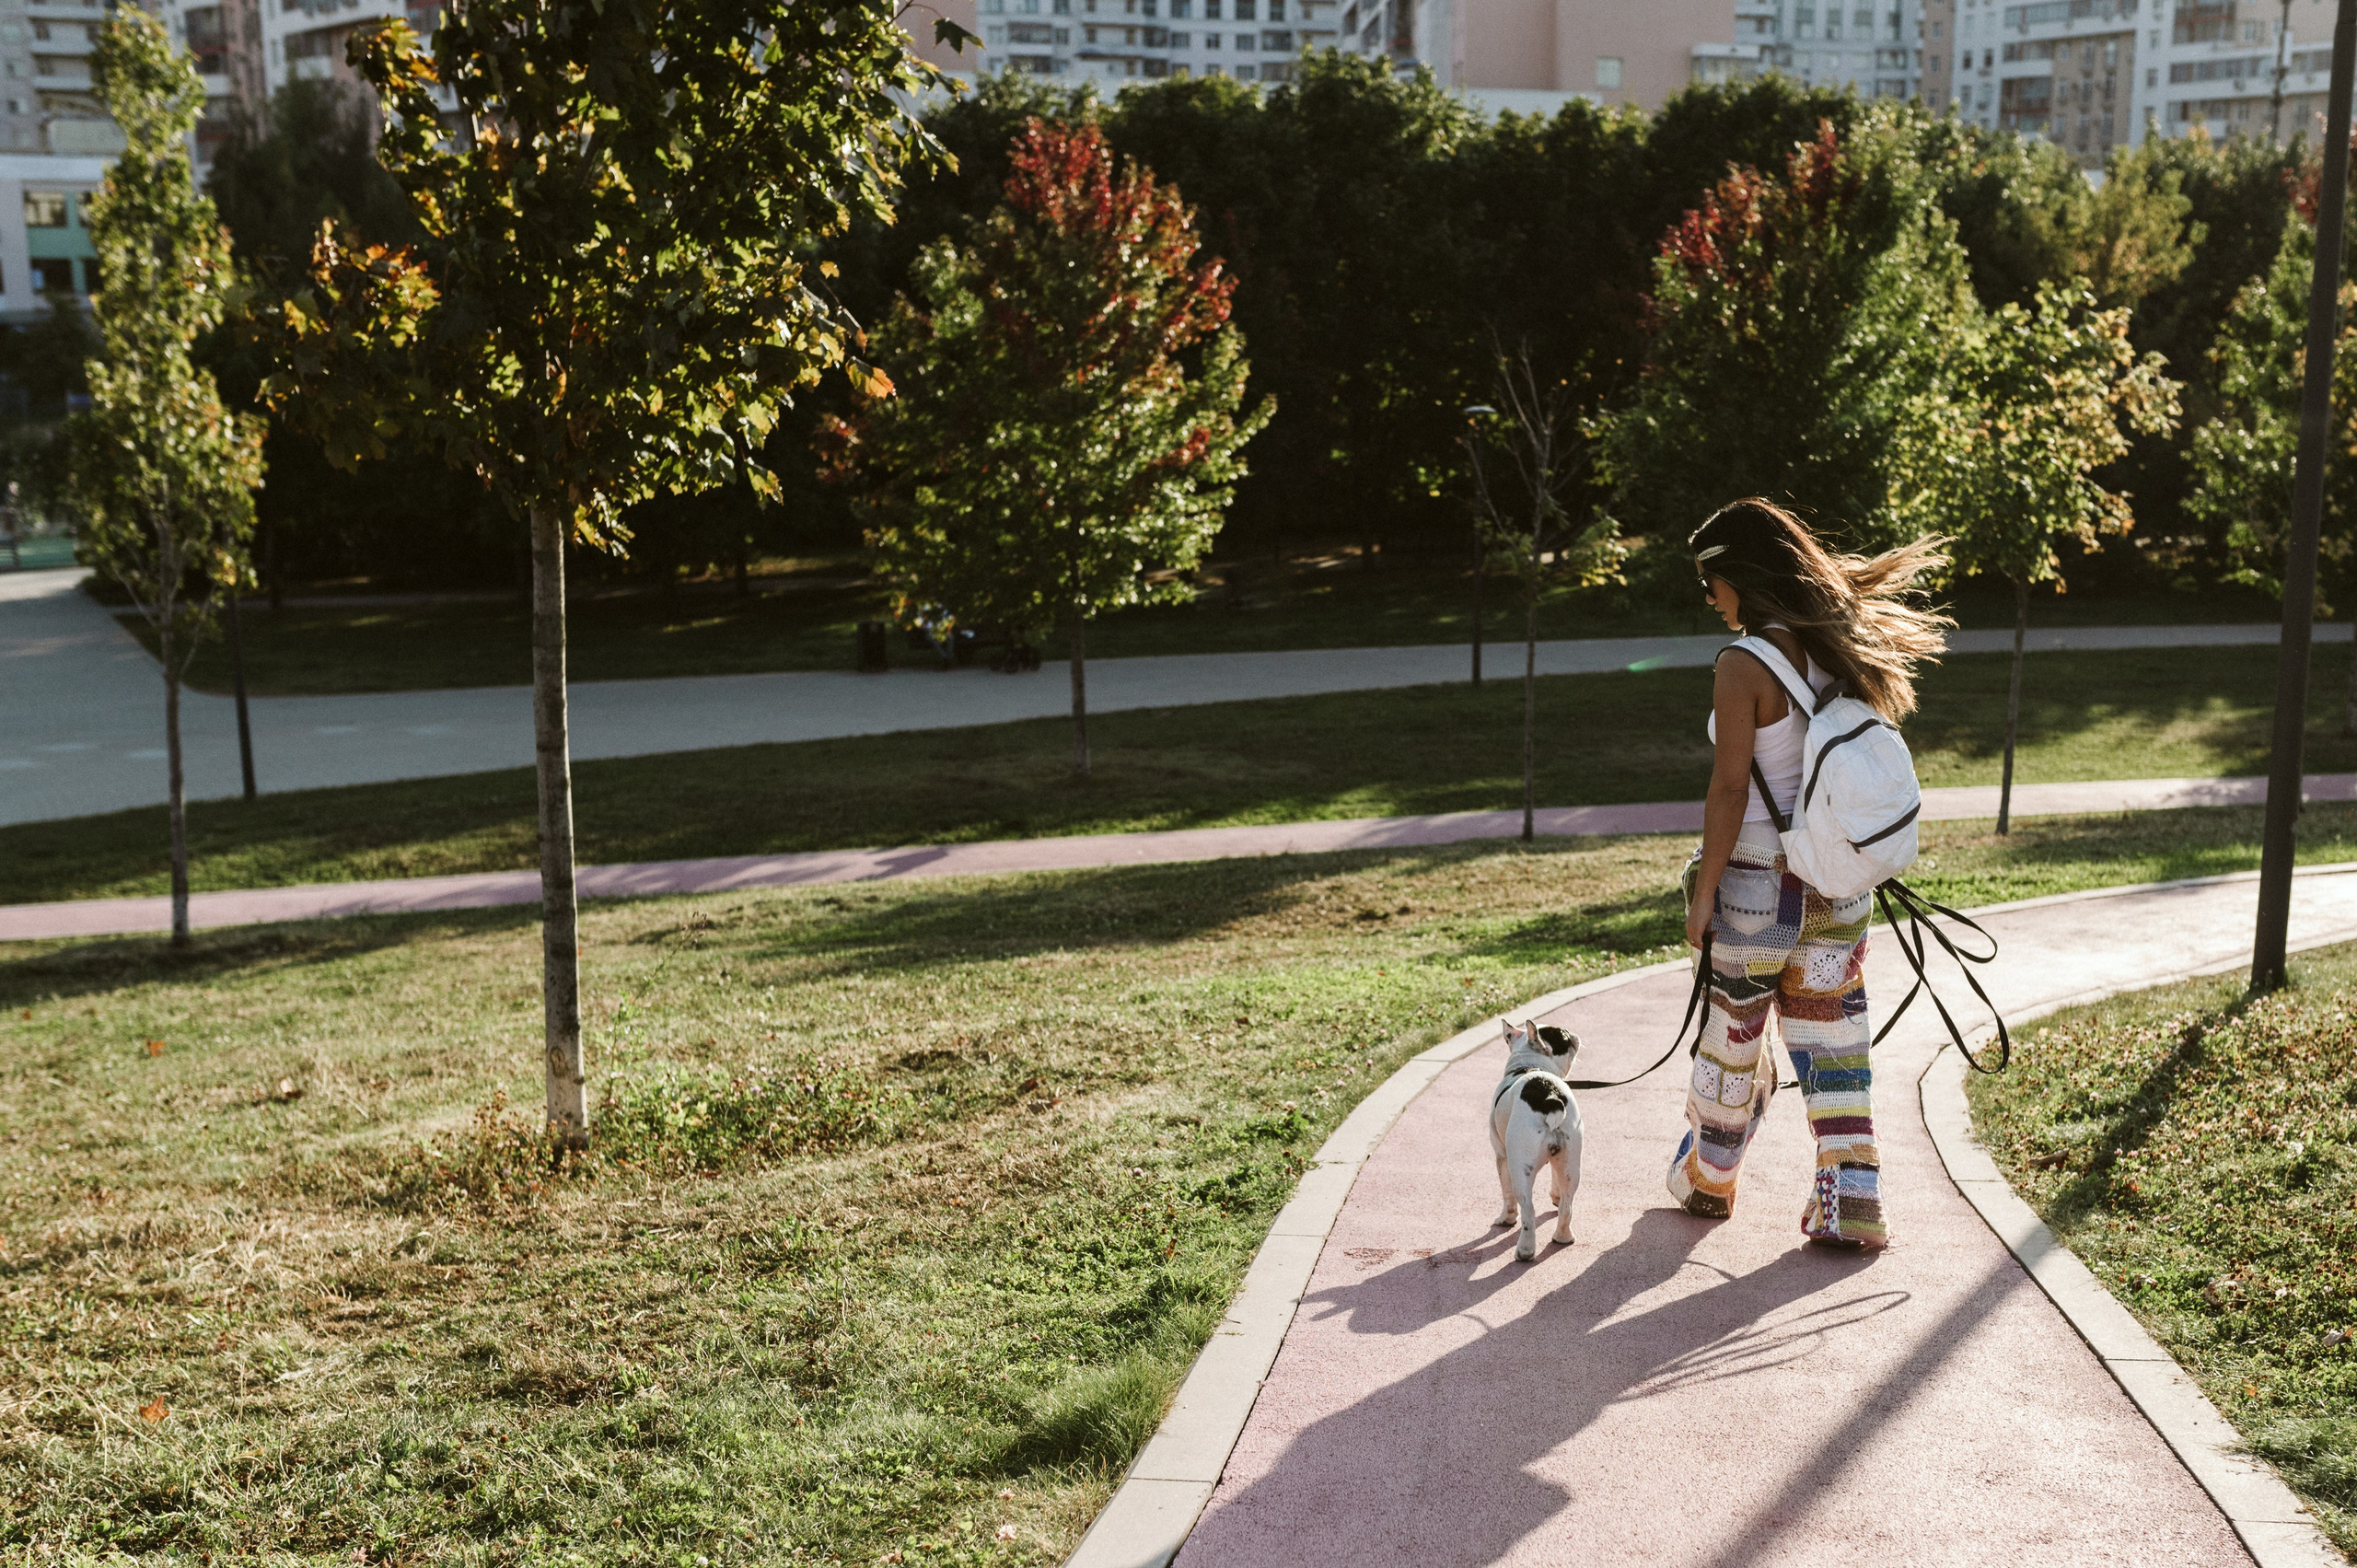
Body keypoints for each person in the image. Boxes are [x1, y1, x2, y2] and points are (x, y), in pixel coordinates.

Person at [1668, 497, 1950, 1249]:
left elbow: (1730, 788)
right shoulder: (1837, 646)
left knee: (1734, 1033)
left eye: (1710, 582)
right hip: (1837, 885)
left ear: (1740, 575)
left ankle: (1709, 1179)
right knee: (1835, 1052)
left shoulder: (1741, 664)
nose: (1709, 599)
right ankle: (1851, 1204)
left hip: (1757, 883)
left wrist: (1703, 896)